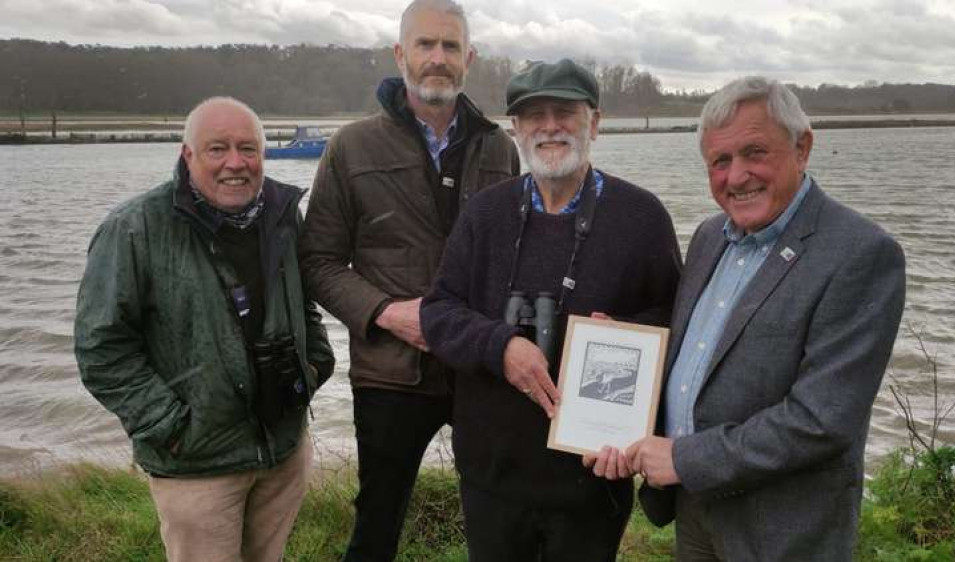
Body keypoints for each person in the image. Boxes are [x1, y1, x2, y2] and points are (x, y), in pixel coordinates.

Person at [587, 76, 907, 561]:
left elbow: (820, 420)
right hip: (696, 507)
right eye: (720, 161)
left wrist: (681, 458)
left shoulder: (862, 255)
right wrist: (624, 358)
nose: (737, 176)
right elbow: (694, 356)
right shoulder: (709, 236)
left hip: (779, 529)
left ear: (802, 148)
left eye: (754, 152)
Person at [420, 59, 683, 562]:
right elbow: (439, 312)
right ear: (515, 130)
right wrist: (501, 347)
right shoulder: (485, 213)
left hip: (591, 477)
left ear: (595, 124)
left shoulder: (642, 216)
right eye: (533, 115)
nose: (549, 126)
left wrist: (631, 335)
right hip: (491, 475)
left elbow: (678, 321)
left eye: (564, 112)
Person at [297, 0, 519, 559]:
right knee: (377, 525)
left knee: (499, 517)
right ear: (401, 54)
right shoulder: (351, 147)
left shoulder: (501, 147)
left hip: (479, 368)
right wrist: (387, 314)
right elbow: (317, 261)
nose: (437, 58)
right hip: (391, 375)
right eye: (425, 45)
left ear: (469, 58)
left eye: (450, 46)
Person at [74, 97, 335, 562]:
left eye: (248, 148)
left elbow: (305, 304)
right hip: (197, 464)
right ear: (187, 154)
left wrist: (314, 367)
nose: (235, 163)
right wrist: (169, 426)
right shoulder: (134, 229)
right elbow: (101, 349)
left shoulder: (281, 214)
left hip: (282, 453)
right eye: (217, 149)